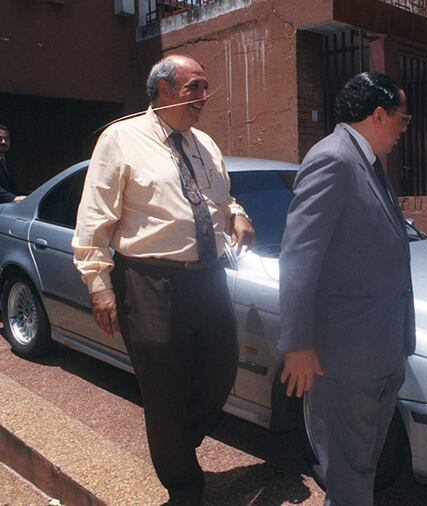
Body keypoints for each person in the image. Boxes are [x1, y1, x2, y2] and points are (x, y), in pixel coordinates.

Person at [72, 55, 254, 505]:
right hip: (149, 281)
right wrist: (99, 284)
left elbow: (220, 196)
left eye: (205, 86)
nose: (203, 96)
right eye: (194, 86)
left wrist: (237, 214)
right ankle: (184, 486)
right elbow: (96, 215)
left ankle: (172, 443)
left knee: (221, 369)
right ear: (164, 90)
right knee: (164, 387)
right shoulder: (120, 139)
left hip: (208, 279)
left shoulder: (205, 144)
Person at [278, 72, 416, 506]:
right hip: (345, 356)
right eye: (401, 118)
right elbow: (299, 256)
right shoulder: (333, 159)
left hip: (379, 348)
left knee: (359, 469)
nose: (402, 130)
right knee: (349, 469)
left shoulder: (367, 162)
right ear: (378, 114)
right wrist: (298, 344)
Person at [0, 124, 25, 203]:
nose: (3, 142)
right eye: (0, 139)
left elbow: (12, 191)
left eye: (6, 139)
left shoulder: (8, 164)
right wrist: (13, 198)